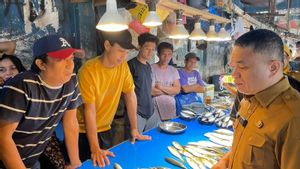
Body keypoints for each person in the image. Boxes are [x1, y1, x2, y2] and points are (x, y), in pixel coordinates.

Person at [212, 29, 300, 169]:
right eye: (233, 67)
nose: (234, 74)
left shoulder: (293, 118)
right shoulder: (247, 100)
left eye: (242, 67)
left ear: (273, 68)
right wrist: (225, 162)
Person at [0, 35, 82, 169]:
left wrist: (75, 162)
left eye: (71, 58)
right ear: (41, 64)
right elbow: (2, 137)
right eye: (61, 59)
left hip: (31, 161)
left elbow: (71, 122)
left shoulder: (71, 81)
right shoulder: (20, 86)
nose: (70, 65)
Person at [77, 30, 151, 168]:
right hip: (84, 130)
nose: (123, 56)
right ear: (107, 45)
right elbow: (90, 111)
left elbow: (130, 96)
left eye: (127, 52)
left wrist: (135, 129)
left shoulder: (122, 67)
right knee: (90, 164)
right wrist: (94, 148)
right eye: (121, 51)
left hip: (105, 127)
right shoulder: (88, 71)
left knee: (106, 163)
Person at [126, 33, 160, 136]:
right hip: (137, 112)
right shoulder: (130, 65)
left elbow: (147, 89)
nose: (150, 52)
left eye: (153, 49)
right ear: (139, 47)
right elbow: (126, 93)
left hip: (150, 111)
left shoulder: (148, 66)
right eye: (147, 48)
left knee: (153, 139)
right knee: (135, 142)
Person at [151, 42, 180, 121]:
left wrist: (161, 87)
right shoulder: (151, 68)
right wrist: (170, 91)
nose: (167, 57)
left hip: (170, 107)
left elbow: (177, 90)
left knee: (170, 128)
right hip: (154, 107)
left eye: (169, 54)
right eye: (164, 54)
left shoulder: (173, 70)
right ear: (158, 54)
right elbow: (151, 91)